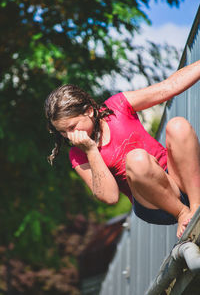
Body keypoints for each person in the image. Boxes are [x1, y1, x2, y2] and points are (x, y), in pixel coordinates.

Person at [44, 60, 200, 238]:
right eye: (62, 132)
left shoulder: (118, 106)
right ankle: (182, 213)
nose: (69, 136)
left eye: (72, 127)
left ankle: (196, 208)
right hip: (154, 203)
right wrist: (91, 150)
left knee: (177, 125)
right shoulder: (78, 154)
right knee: (136, 158)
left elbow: (168, 86)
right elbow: (110, 197)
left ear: (88, 111)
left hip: (181, 181)